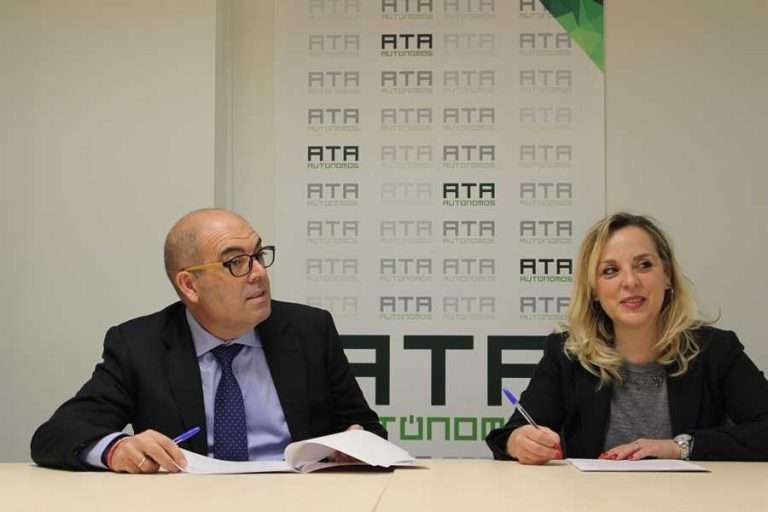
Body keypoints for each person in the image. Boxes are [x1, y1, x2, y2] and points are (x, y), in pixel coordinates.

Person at [31, 208, 385, 472]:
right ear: (189, 285)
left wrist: (357, 443)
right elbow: (55, 435)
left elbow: (366, 428)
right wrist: (115, 449)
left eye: (259, 256)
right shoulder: (139, 345)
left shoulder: (310, 330)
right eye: (235, 263)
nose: (259, 273)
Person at [487, 212, 768, 463]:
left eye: (644, 265)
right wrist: (518, 442)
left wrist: (680, 447)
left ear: (667, 276)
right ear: (594, 290)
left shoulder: (715, 350)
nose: (630, 282)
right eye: (610, 270)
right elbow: (511, 435)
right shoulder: (567, 353)